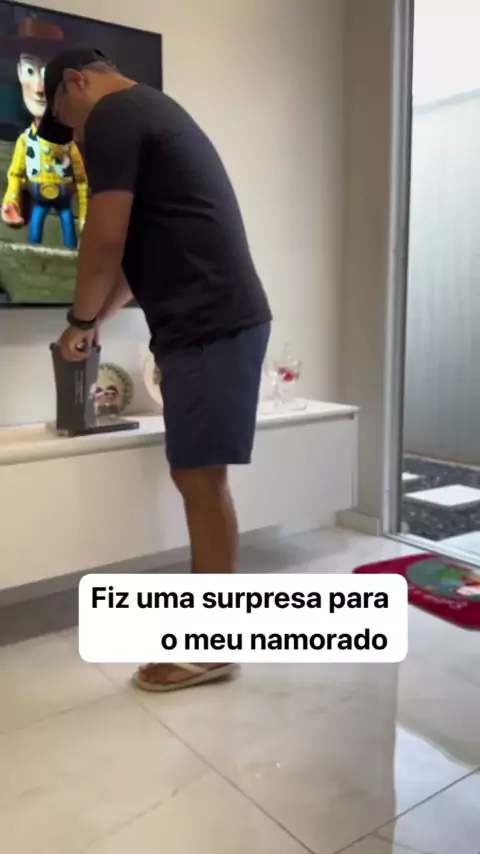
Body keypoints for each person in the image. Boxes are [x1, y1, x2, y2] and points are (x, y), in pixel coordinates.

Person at [38, 47, 272, 691]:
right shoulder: (150, 110)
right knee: (198, 476)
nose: (74, 137)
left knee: (200, 479)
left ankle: (213, 644)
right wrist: (94, 321)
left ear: (77, 82)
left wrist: (79, 321)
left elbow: (104, 238)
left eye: (67, 119)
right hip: (210, 321)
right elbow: (131, 256)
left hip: (211, 322)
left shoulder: (114, 114)